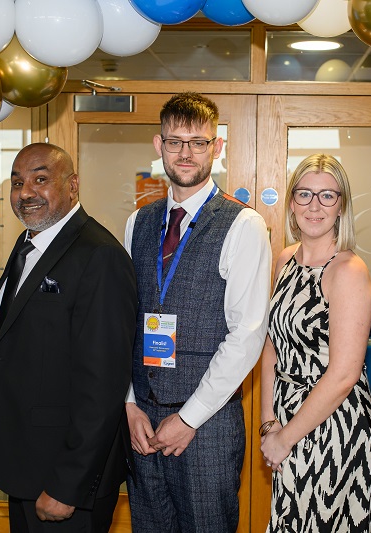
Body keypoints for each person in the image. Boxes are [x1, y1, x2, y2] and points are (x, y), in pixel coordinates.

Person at [0, 143, 137, 532]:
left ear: (73, 185)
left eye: (40, 179)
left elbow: (103, 386)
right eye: (17, 182)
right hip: (26, 465)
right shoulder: (30, 245)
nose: (26, 193)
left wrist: (68, 485)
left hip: (63, 481)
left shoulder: (99, 256)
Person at [124, 92, 272, 532]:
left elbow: (246, 335)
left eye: (198, 142)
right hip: (141, 424)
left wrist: (188, 418)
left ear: (218, 148)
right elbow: (123, 323)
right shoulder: (138, 222)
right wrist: (128, 404)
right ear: (158, 146)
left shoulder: (243, 225)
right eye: (175, 142)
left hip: (205, 425)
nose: (185, 153)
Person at [260, 154, 371, 532]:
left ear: (341, 206)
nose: (314, 206)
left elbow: (345, 374)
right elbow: (271, 346)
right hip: (286, 417)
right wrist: (269, 422)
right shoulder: (285, 259)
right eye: (304, 194)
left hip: (334, 427)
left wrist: (285, 437)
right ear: (292, 202)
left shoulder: (348, 271)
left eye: (327, 196)